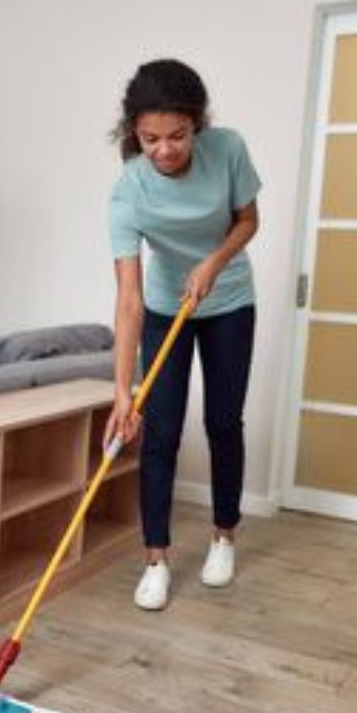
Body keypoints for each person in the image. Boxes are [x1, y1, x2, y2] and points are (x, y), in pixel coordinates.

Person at [103, 59, 261, 610]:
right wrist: (123, 391)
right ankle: (156, 560)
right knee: (159, 429)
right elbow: (128, 300)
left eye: (177, 135)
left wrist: (214, 261)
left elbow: (248, 220)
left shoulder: (227, 149)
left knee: (223, 420)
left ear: (197, 125)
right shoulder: (129, 192)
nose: (165, 149)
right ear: (134, 134)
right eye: (150, 139)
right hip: (169, 307)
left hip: (229, 302)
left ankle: (223, 537)